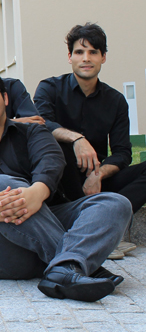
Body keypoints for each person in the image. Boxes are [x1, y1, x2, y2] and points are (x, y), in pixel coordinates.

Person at [0, 67, 131, 302]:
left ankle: (64, 268)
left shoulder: (32, 132)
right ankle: (75, 263)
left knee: (115, 204)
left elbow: (51, 160)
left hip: (44, 223)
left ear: (5, 98)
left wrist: (37, 192)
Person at [34, 23, 146, 259]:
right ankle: (95, 232)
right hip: (61, 180)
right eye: (79, 52)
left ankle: (104, 225)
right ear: (69, 57)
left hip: (96, 180)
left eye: (93, 52)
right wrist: (77, 139)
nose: (86, 58)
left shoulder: (115, 100)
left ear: (103, 57)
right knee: (57, 144)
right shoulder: (49, 88)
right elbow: (42, 124)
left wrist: (98, 175)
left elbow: (123, 152)